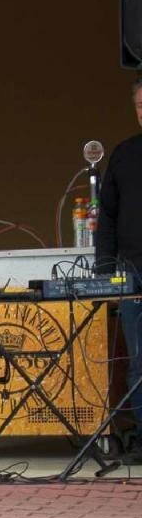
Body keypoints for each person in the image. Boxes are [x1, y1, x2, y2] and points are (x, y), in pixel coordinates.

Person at [96, 77, 142, 443]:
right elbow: (107, 218)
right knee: (138, 363)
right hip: (131, 273)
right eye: (140, 107)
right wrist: (105, 273)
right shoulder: (124, 155)